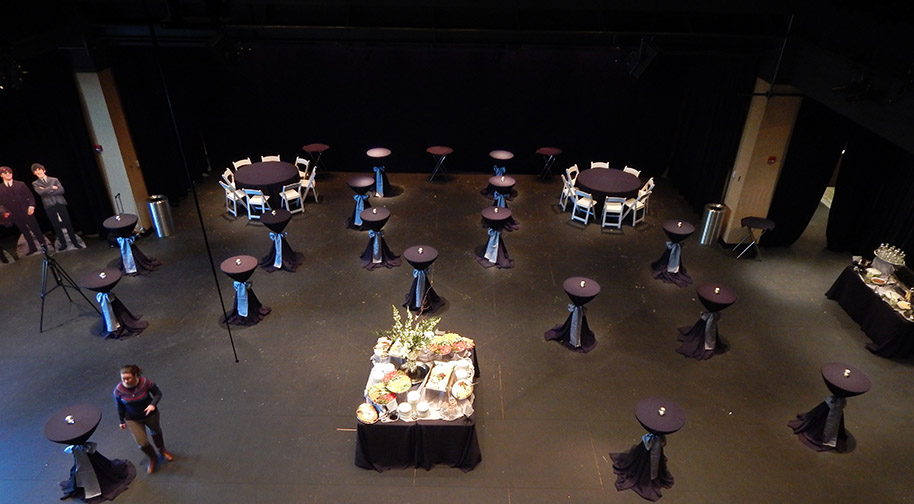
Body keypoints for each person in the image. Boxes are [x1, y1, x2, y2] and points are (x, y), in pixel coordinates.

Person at [113, 365, 175, 474]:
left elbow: (157, 394)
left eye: (128, 378)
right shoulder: (118, 390)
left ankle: (162, 450)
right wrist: (121, 421)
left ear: (136, 376)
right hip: (132, 418)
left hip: (150, 414)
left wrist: (152, 404)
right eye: (123, 378)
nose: (125, 381)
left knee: (156, 432)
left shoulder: (146, 383)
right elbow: (119, 406)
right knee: (142, 443)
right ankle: (152, 457)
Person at [31, 163, 82, 250]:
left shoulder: (54, 179)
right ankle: (63, 244)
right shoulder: (35, 183)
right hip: (49, 205)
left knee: (68, 223)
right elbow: (40, 193)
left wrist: (46, 190)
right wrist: (52, 187)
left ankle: (75, 242)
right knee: (56, 225)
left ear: (44, 170)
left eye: (39, 170)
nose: (38, 172)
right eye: (36, 171)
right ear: (34, 173)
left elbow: (61, 190)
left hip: (60, 203)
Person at [0, 165, 46, 255]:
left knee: (35, 228)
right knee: (24, 231)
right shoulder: (0, 188)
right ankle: (32, 248)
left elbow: (30, 196)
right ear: (1, 175)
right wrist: (4, 212)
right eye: (5, 173)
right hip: (14, 214)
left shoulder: (20, 184)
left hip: (26, 211)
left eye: (10, 172)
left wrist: (31, 206)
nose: (8, 174)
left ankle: (43, 246)